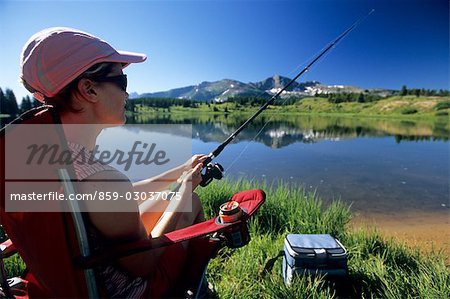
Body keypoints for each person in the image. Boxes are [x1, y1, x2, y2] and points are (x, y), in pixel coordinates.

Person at [20, 27, 209, 298]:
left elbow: (116, 197)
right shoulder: (98, 177)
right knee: (191, 204)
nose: (127, 95)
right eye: (122, 82)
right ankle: (191, 290)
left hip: (71, 280)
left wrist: (180, 172)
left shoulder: (46, 154)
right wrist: (185, 191)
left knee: (174, 200)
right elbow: (142, 264)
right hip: (128, 291)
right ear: (89, 89)